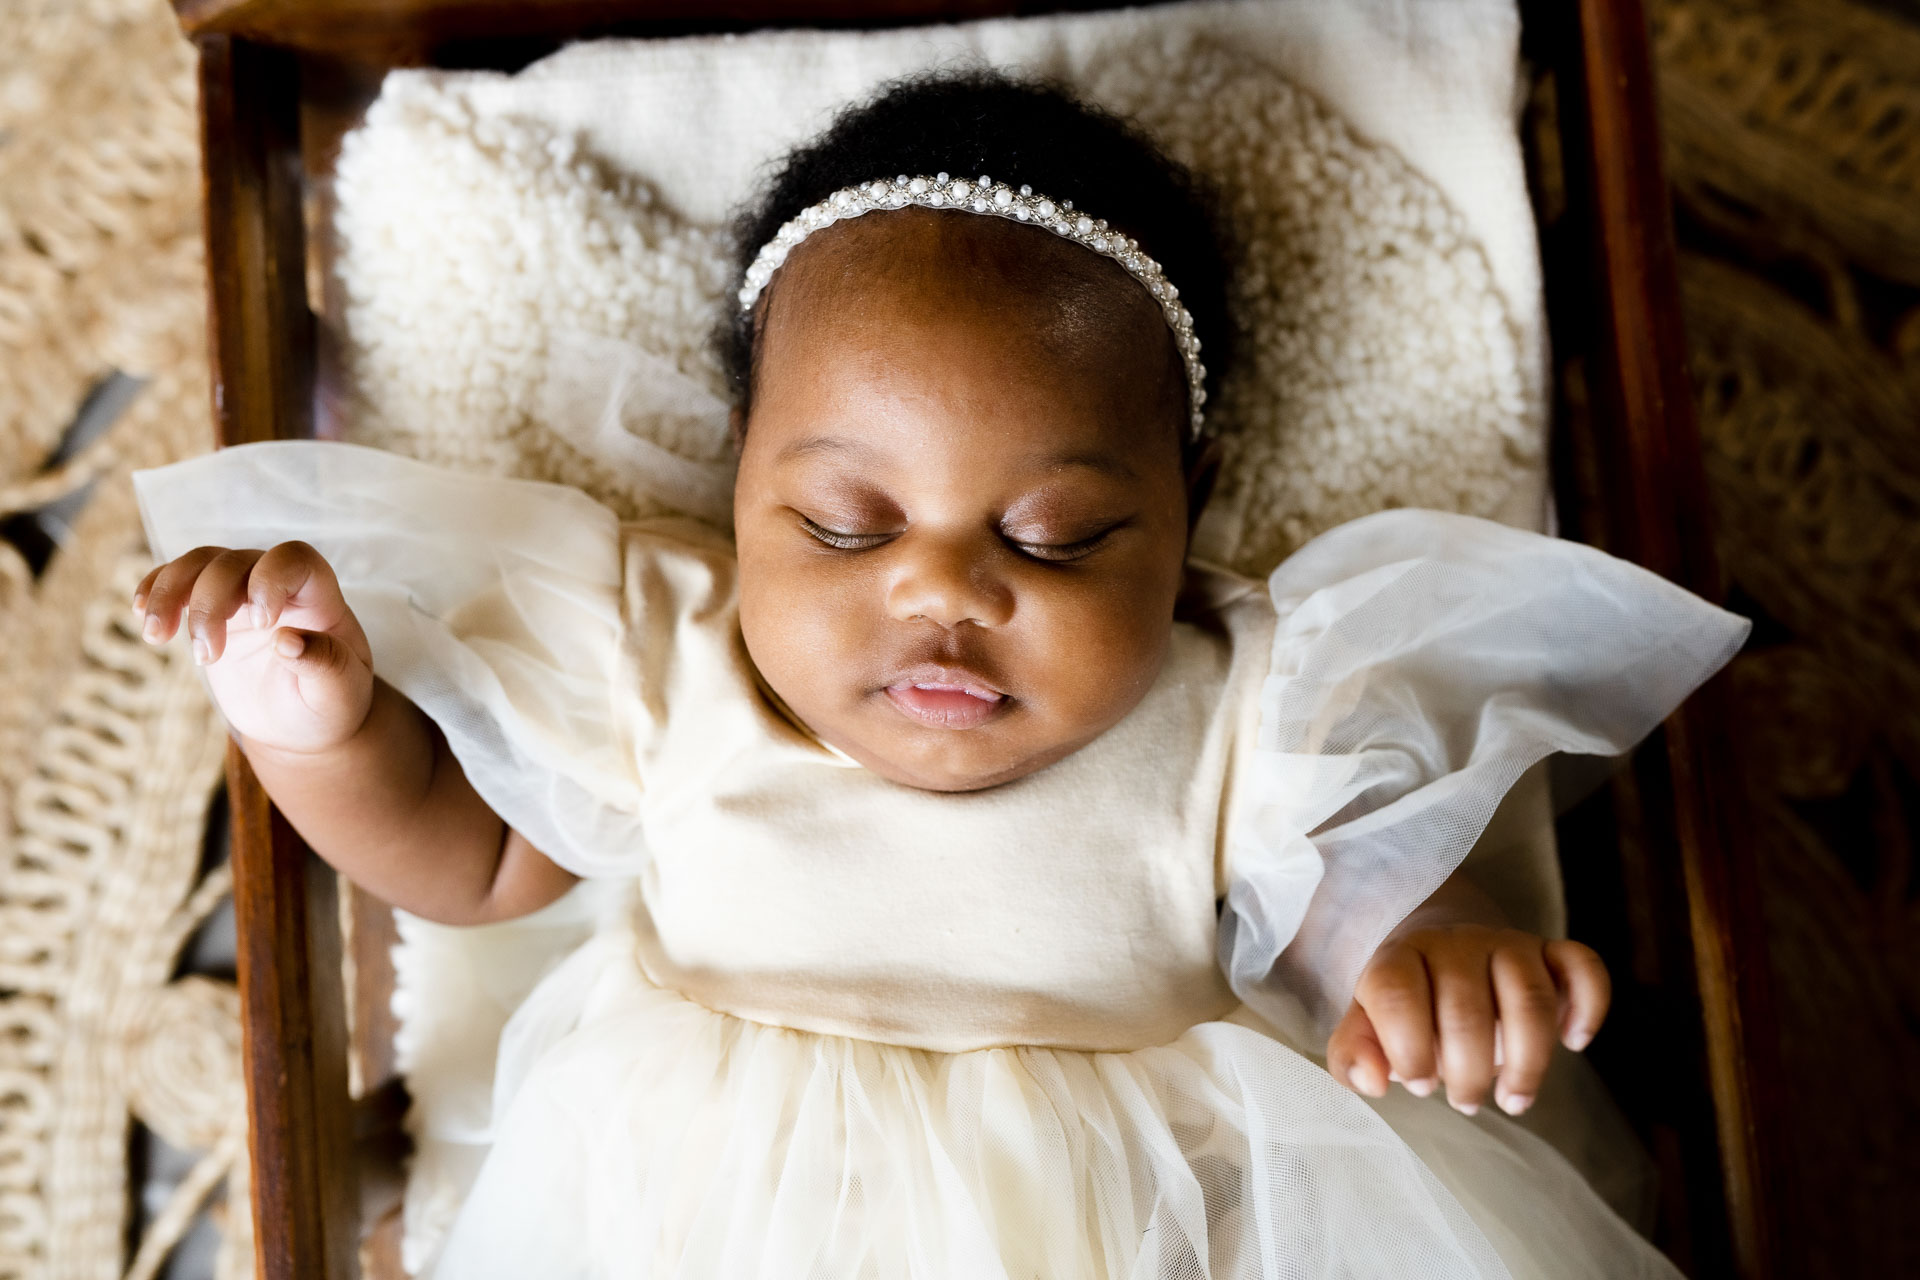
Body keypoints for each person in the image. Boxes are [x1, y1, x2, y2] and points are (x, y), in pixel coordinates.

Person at [130, 70, 1745, 1278]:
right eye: (843, 524)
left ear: (1185, 515)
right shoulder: (672, 652)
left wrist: (1441, 956)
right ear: (737, 491)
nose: (944, 588)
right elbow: (476, 857)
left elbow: (1368, 878)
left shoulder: (1239, 700)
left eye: (1055, 538)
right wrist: (320, 732)